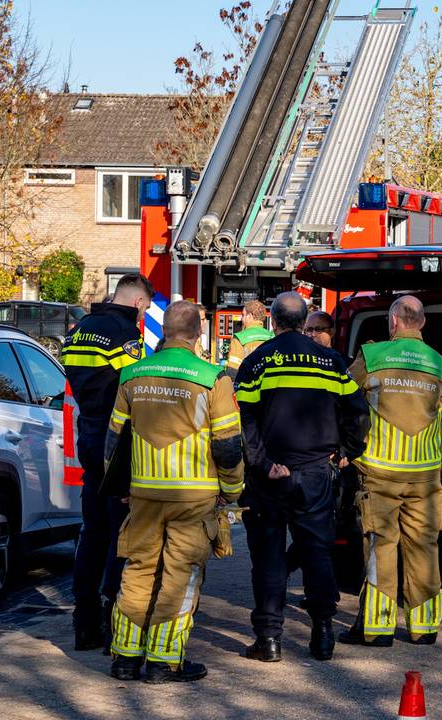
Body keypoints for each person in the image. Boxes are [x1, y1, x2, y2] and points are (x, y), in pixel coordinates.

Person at [103, 301, 244, 683]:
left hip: (144, 494)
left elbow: (114, 440)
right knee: (180, 575)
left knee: (138, 569)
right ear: (198, 334)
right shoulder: (213, 378)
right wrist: (232, 491)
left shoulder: (132, 374)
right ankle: (164, 662)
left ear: (163, 331)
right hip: (193, 498)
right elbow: (228, 446)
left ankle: (126, 658)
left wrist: (120, 487)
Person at [235, 292, 370, 663]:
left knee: (269, 558)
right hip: (315, 473)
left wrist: (262, 463)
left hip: (270, 476)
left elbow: (243, 421)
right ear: (302, 320)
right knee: (317, 555)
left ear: (273, 322)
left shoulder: (258, 361)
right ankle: (322, 634)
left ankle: (269, 640)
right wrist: (345, 452)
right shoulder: (331, 362)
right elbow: (358, 412)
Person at [339, 295, 442, 647]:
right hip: (425, 474)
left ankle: (377, 627)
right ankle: (425, 627)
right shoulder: (441, 364)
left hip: (381, 472)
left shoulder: (373, 356)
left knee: (380, 547)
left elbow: (344, 394)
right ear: (421, 324)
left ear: (394, 322)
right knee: (424, 547)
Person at [61, 273, 152, 651]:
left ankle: (83, 620)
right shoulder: (126, 334)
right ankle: (111, 616)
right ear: (138, 304)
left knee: (92, 532)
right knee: (120, 535)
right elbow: (137, 389)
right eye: (145, 310)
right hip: (117, 444)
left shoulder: (81, 329)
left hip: (88, 437)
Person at [225, 300, 270, 374]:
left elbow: (232, 371)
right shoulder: (273, 337)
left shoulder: (239, 338)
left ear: (249, 316)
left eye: (243, 315)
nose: (241, 319)